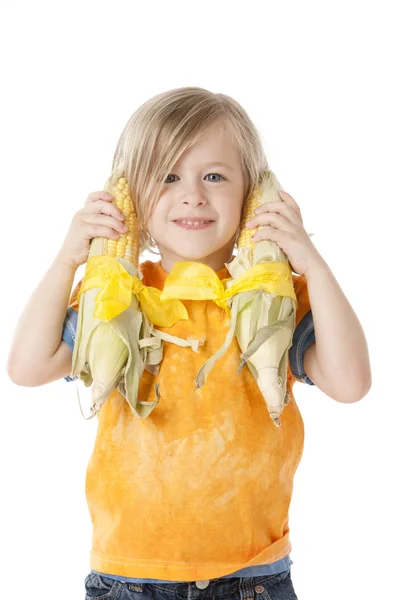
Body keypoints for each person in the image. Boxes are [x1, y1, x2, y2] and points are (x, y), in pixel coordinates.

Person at [7, 87, 371, 600]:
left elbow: (351, 383)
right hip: (129, 578)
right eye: (168, 177)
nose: (192, 195)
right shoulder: (120, 297)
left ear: (251, 194)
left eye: (215, 176)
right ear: (131, 196)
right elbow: (27, 366)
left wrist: (311, 264)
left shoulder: (272, 297)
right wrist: (70, 260)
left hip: (253, 579)